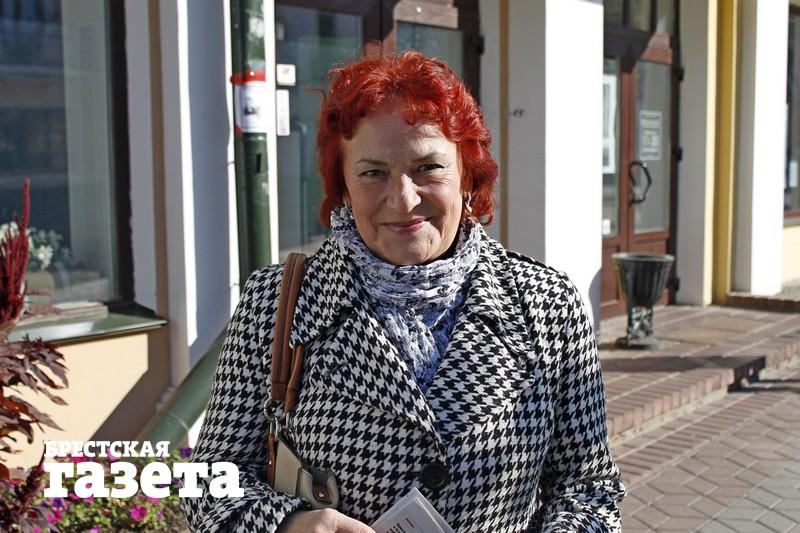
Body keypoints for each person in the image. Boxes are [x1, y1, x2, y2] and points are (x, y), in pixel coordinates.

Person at [180, 50, 625, 532]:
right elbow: (208, 483)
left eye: (428, 167)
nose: (403, 199)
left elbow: (588, 487)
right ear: (343, 186)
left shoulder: (546, 303)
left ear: (467, 174)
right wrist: (290, 525)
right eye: (373, 172)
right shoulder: (278, 302)